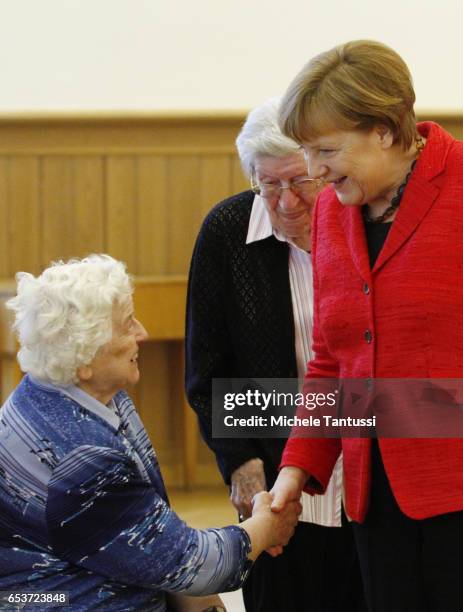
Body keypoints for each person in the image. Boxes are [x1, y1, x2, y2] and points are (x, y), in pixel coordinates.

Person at [271, 40, 463, 612]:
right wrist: (297, 466)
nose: (313, 170)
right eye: (305, 151)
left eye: (327, 149)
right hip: (373, 495)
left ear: (384, 129)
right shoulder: (333, 208)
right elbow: (333, 358)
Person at [0, 254, 301, 612]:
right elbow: (191, 564)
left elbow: (150, 539)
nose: (143, 332)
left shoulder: (59, 393)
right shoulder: (82, 458)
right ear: (84, 359)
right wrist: (266, 526)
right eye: (127, 325)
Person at [186, 99, 365, 612]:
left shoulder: (362, 223)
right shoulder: (227, 233)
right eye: (268, 185)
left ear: (323, 170)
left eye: (299, 182)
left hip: (365, 480)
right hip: (278, 489)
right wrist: (239, 458)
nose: (285, 202)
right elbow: (207, 371)